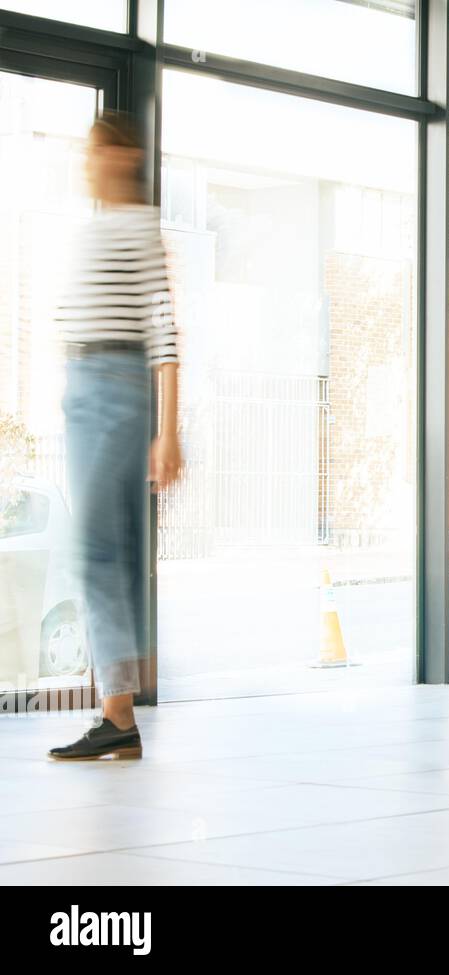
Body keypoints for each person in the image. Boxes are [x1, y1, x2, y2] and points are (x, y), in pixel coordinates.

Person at [49, 112, 182, 761]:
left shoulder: (137, 227)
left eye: (96, 151)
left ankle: (119, 708)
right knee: (111, 549)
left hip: (113, 384)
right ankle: (120, 706)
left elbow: (164, 334)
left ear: (123, 156)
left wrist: (168, 432)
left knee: (96, 549)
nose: (87, 162)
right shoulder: (97, 227)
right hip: (85, 385)